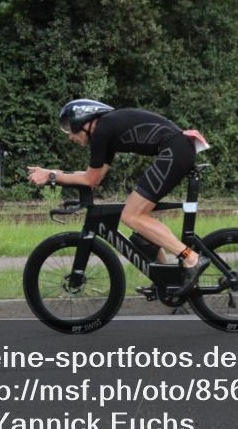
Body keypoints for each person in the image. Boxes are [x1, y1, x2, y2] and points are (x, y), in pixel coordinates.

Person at [27, 99, 210, 296]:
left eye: (70, 129)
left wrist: (51, 175)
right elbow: (94, 178)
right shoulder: (108, 131)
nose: (70, 136)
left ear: (83, 121)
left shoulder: (102, 130)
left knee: (131, 216)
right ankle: (165, 281)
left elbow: (90, 179)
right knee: (141, 224)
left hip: (175, 151)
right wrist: (54, 174)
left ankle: (191, 258)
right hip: (177, 150)